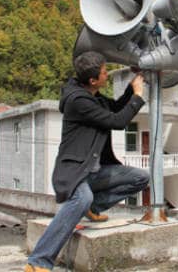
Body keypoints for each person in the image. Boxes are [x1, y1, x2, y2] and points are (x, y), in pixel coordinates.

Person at [25, 51, 150, 272]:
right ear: (93, 80)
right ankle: (38, 261)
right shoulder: (78, 101)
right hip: (75, 171)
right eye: (104, 72)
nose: (107, 75)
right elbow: (117, 121)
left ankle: (94, 206)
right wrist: (138, 97)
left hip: (95, 171)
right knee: (82, 197)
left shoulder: (92, 95)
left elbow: (115, 107)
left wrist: (132, 88)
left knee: (141, 178)